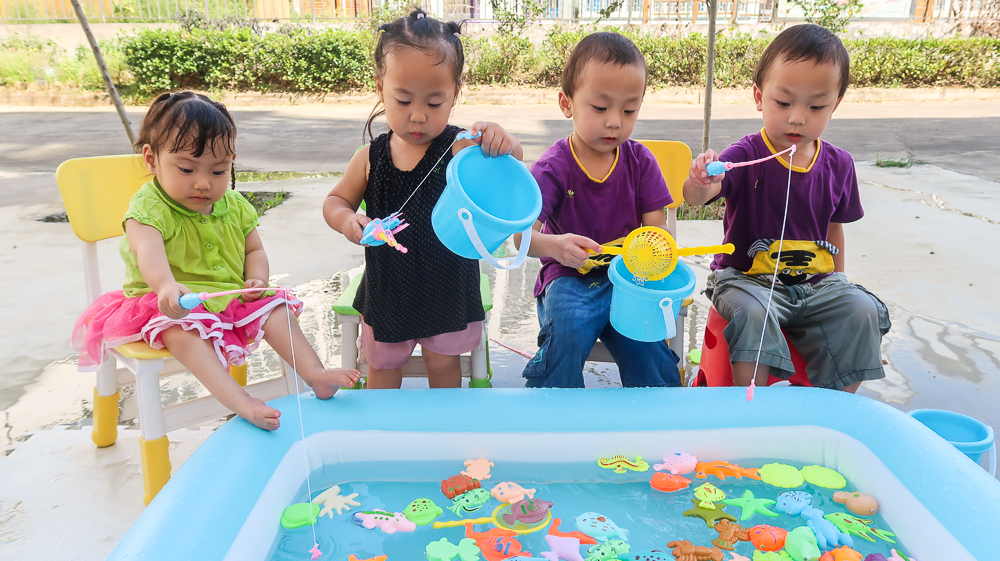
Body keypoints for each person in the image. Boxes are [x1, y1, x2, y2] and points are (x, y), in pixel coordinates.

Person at [73, 91, 360, 431]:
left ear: (232, 161)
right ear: (152, 159)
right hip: (167, 302)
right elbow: (147, 250)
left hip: (227, 297)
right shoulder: (149, 207)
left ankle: (315, 374)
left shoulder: (234, 205)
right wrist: (166, 286)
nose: (203, 182)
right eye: (186, 168)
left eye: (219, 170)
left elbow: (254, 250)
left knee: (276, 308)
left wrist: (255, 278)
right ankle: (239, 400)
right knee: (181, 330)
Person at [684, 24, 891, 392]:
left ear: (835, 105)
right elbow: (696, 197)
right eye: (784, 103)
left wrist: (836, 282)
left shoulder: (839, 164)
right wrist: (700, 181)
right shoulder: (746, 155)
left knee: (861, 310)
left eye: (816, 106)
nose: (797, 117)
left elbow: (833, 229)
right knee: (754, 314)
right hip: (746, 281)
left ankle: (833, 408)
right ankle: (752, 405)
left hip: (814, 286)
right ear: (759, 97)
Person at [323, 9, 522, 389]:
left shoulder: (461, 147)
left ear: (454, 95)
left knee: (443, 365)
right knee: (382, 367)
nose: (417, 117)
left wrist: (504, 141)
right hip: (389, 289)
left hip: (447, 285)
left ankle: (443, 438)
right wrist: (348, 221)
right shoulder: (370, 158)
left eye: (434, 103)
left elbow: (510, 166)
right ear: (380, 87)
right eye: (403, 100)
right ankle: (385, 439)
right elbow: (335, 201)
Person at [515, 32, 681, 389]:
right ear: (567, 103)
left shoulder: (640, 162)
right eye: (601, 107)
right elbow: (520, 237)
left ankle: (659, 418)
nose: (615, 122)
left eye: (629, 109)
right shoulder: (554, 166)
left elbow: (657, 229)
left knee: (648, 346)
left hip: (631, 279)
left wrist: (650, 251)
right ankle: (556, 411)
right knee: (569, 328)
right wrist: (557, 247)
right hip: (569, 278)